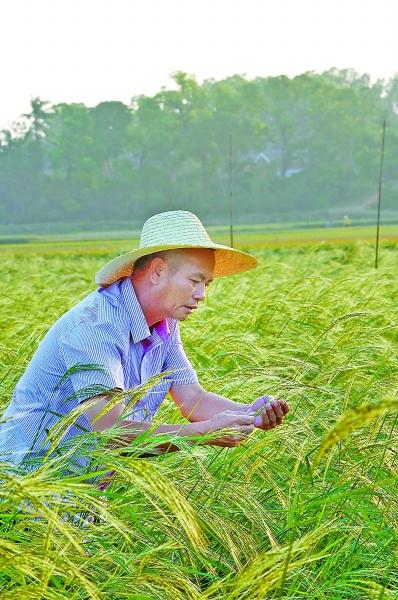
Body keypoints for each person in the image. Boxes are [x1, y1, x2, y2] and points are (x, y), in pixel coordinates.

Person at [0, 210, 289, 468]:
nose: (202, 295)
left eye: (207, 284)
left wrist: (250, 414)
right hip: (27, 482)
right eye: (195, 280)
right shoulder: (96, 327)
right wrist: (206, 432)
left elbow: (193, 399)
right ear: (158, 271)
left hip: (84, 492)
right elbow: (110, 433)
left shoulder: (166, 325)